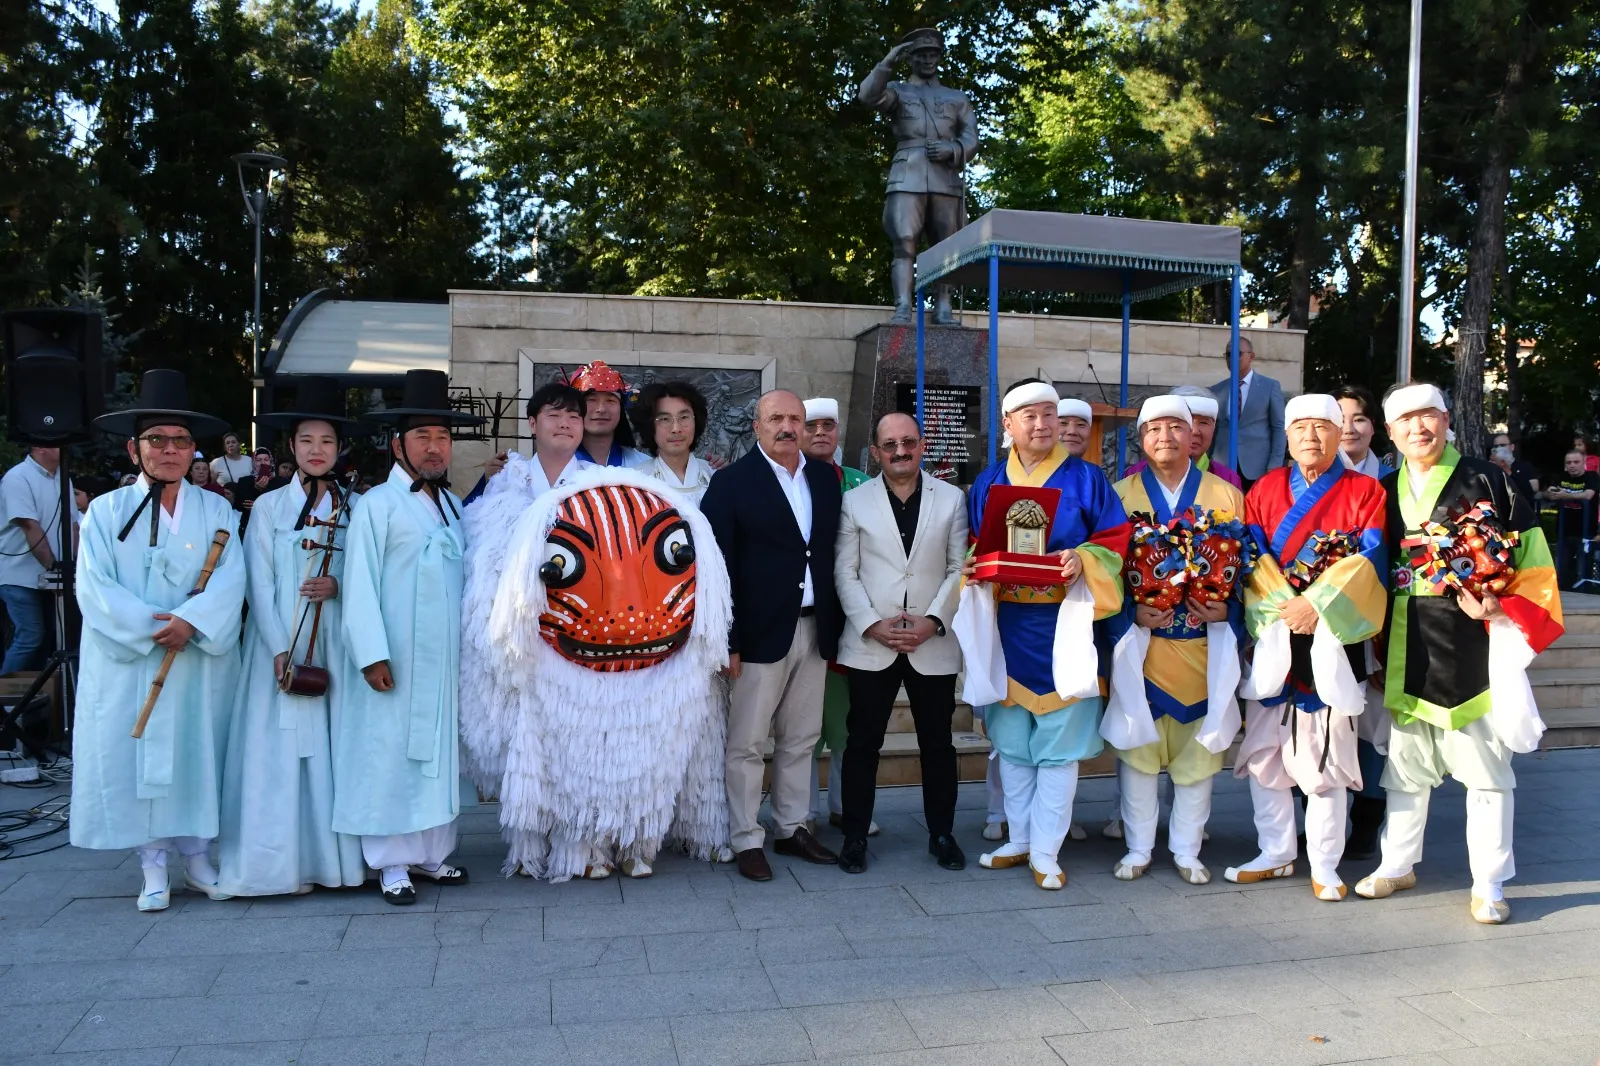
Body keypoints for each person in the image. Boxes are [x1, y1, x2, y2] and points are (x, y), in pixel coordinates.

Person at [1355, 383, 1563, 924]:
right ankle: (1396, 863)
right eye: (1406, 421)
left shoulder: (1491, 480)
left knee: (1487, 772)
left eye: (1429, 417)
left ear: (1447, 421)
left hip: (1474, 638)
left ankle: (1489, 883)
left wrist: (1500, 603)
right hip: (1405, 640)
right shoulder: (1381, 487)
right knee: (1403, 770)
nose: (1418, 428)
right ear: (1392, 432)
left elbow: (1534, 559)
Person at [70, 370, 246, 911]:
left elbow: (232, 574)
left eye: (181, 441)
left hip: (194, 658)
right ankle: (152, 866)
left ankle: (197, 857)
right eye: (157, 440)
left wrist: (192, 621)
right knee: (141, 760)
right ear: (134, 448)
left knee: (198, 751)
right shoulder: (105, 512)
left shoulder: (216, 508)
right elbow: (93, 586)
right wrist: (153, 627)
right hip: (134, 660)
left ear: (194, 450)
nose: (170, 450)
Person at [958, 380, 1129, 891]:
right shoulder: (988, 482)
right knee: (1012, 743)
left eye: (1049, 415)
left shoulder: (1090, 480)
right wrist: (974, 566)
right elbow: (974, 543)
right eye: (1029, 416)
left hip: (1066, 622)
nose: (1042, 424)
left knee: (1058, 746)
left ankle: (1047, 850)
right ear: (1008, 425)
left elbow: (1115, 543)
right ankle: (1019, 838)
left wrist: (1084, 558)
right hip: (1008, 625)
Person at [1225, 395, 1388, 899]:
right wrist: (1284, 606)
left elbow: (1371, 557)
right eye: (1300, 428)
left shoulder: (1366, 491)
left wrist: (1317, 605)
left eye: (1322, 427)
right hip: (1272, 632)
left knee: (1326, 758)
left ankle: (1324, 863)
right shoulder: (1266, 489)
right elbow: (1250, 554)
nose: (1311, 437)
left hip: (1331, 639)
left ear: (1342, 435)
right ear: (1287, 436)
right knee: (1265, 753)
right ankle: (1275, 851)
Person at [334, 369, 480, 905]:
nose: (435, 447)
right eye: (423, 437)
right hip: (394, 655)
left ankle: (432, 853)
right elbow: (359, 586)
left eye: (442, 437)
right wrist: (371, 653)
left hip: (440, 659)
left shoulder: (452, 505)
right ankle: (391, 861)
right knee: (390, 752)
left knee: (436, 754)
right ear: (398, 444)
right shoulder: (376, 505)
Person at [218, 377, 367, 897]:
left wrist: (339, 584)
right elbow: (257, 581)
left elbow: (372, 576)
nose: (317, 451)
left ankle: (338, 862)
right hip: (278, 644)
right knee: (276, 755)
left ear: (339, 448)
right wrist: (279, 647)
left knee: (334, 748)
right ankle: (278, 863)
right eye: (307, 441)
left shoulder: (356, 508)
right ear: (292, 446)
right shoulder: (267, 508)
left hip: (334, 646)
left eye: (327, 442)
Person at [701, 389, 844, 882]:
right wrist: (729, 639)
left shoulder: (825, 479)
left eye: (795, 419)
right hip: (759, 634)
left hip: (814, 628)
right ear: (757, 426)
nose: (787, 426)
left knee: (801, 739)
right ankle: (745, 837)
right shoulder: (730, 483)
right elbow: (716, 569)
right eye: (776, 418)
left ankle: (792, 827)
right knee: (747, 742)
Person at [1102, 397, 1244, 886]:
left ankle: (1186, 849)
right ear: (1141, 439)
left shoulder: (1225, 495)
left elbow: (1248, 572)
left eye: (1176, 428)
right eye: (1155, 428)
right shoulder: (1118, 495)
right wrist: (1129, 612)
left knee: (1198, 756)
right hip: (1141, 647)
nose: (1166, 436)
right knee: (1138, 753)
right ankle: (1139, 848)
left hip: (1205, 646)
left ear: (1194, 437)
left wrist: (1231, 610)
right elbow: (1103, 571)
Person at [834, 412, 968, 874]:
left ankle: (943, 834)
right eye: (889, 445)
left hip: (932, 643)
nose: (899, 451)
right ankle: (854, 837)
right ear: (875, 452)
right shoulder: (855, 502)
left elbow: (959, 568)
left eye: (908, 442)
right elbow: (844, 572)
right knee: (862, 743)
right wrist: (871, 624)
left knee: (938, 744)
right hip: (873, 642)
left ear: (922, 444)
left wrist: (934, 620)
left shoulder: (952, 499)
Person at [858, 27, 978, 324]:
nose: (928, 60)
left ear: (940, 58)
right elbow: (867, 97)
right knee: (904, 242)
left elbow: (972, 139)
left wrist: (952, 150)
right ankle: (902, 307)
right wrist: (886, 63)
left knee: (945, 247)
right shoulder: (897, 91)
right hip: (907, 175)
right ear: (910, 59)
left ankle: (943, 307)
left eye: (933, 54)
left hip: (945, 178)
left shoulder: (956, 98)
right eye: (921, 55)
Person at [800, 397, 871, 834]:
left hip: (855, 622)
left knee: (851, 722)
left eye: (829, 425)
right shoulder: (789, 481)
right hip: (806, 617)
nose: (821, 433)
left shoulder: (861, 483)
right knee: (804, 724)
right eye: (812, 426)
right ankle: (801, 812)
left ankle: (846, 807)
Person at [0, 447, 77, 674]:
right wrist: (55, 571)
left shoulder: (63, 479)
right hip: (19, 575)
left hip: (52, 577)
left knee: (50, 641)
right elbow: (29, 526)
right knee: (30, 636)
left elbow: (73, 527)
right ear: (39, 448)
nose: (65, 447)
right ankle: (8, 702)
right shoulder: (17, 477)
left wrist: (75, 568)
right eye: (56, 444)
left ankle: (37, 701)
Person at [1125, 387, 1242, 489]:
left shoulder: (1228, 479)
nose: (1195, 431)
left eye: (1203, 423)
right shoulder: (1135, 475)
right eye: (1179, 425)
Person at [1209, 337, 1285, 490]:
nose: (1232, 358)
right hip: (1222, 466)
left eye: (1237, 353)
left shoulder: (1269, 387)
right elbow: (1212, 429)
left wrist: (1275, 464)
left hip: (1257, 467)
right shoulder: (1216, 390)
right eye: (1228, 354)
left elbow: (1278, 427)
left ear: (1251, 356)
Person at [631, 381, 716, 504]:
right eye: (665, 419)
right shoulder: (636, 481)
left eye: (684, 417)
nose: (676, 428)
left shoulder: (714, 476)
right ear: (649, 425)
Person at [572, 361, 649, 468]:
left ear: (621, 408)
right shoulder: (556, 464)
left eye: (610, 400)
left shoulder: (644, 466)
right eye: (591, 400)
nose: (601, 409)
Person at [1544, 450, 1599, 589]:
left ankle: (1584, 597)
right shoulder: (1560, 477)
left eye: (1576, 462)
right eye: (1569, 462)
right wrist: (1549, 493)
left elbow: (1588, 495)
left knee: (1583, 570)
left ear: (1583, 463)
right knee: (1561, 569)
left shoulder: (1591, 476)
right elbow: (1549, 492)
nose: (1572, 465)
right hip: (1565, 530)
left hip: (1586, 530)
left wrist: (1564, 495)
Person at [1334, 384, 1393, 480]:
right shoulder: (1310, 479)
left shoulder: (1391, 480)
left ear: (1372, 426)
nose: (1349, 430)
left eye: (1358, 420)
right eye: (1341, 420)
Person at [1490, 433, 1539, 498]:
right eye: (1496, 446)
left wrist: (1507, 471)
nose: (1499, 448)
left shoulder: (1525, 466)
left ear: (1512, 447)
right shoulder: (1490, 467)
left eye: (1502, 445)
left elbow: (1533, 490)